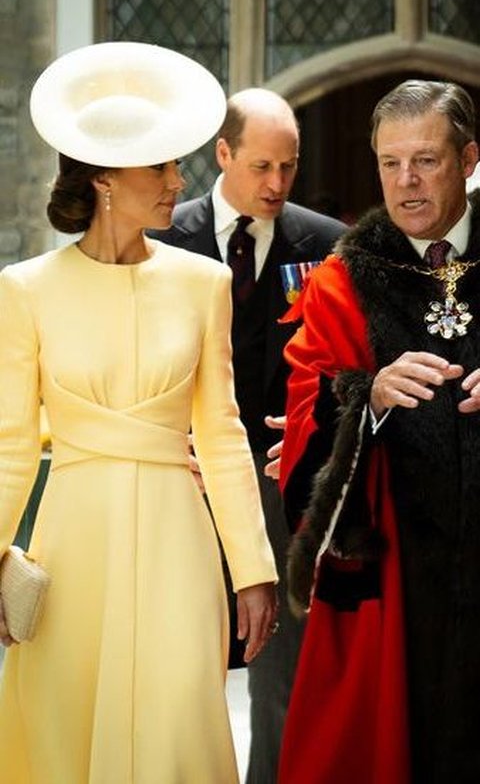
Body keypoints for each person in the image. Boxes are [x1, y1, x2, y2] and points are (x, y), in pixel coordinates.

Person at [0, 41, 278, 784]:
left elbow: (222, 433)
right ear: (104, 181)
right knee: (64, 719)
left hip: (178, 542)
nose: (178, 182)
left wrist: (252, 568)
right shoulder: (25, 290)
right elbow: (11, 446)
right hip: (71, 542)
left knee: (179, 716)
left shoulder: (204, 283)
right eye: (159, 166)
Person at [277, 78, 480, 784]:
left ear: (468, 159)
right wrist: (366, 399)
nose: (406, 182)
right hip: (395, 578)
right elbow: (304, 419)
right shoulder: (340, 283)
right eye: (390, 164)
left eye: (425, 160)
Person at [149, 87, 344, 784]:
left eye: (288, 168)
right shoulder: (161, 237)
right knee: (177, 661)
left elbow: (344, 364)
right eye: (262, 166)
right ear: (222, 153)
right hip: (181, 481)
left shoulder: (325, 244)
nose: (277, 184)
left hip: (278, 488)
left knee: (279, 673)